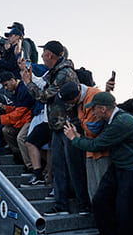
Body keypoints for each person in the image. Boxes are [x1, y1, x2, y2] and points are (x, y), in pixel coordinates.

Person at [63, 91, 133, 235]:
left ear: (103, 109)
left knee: (127, 218)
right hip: (120, 168)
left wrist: (74, 138)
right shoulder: (112, 120)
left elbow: (97, 145)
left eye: (94, 109)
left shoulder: (122, 122)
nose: (92, 112)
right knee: (100, 201)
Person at [20, 41, 87, 216]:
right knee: (58, 166)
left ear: (50, 55)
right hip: (57, 126)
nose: (41, 57)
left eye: (44, 54)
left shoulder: (64, 74)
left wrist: (27, 82)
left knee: (74, 167)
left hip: (68, 126)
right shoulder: (55, 72)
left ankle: (84, 205)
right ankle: (61, 204)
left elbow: (43, 96)